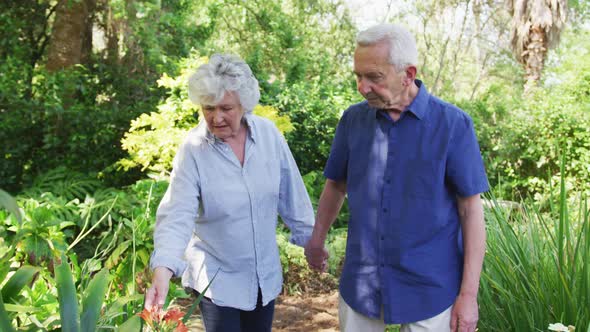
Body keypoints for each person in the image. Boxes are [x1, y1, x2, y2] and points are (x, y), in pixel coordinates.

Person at [304, 23, 488, 332]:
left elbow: (470, 211)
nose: (363, 87)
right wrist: (317, 238)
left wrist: (468, 295)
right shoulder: (353, 120)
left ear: (409, 74)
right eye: (358, 77)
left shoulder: (453, 125)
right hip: (361, 284)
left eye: (374, 77)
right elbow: (336, 184)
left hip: (431, 286)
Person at [144, 54, 315, 332]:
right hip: (217, 279)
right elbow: (177, 214)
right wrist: (163, 270)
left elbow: (291, 195)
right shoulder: (193, 150)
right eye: (208, 108)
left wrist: (312, 242)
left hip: (264, 276)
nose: (216, 117)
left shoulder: (269, 136)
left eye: (226, 108)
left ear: (244, 105)